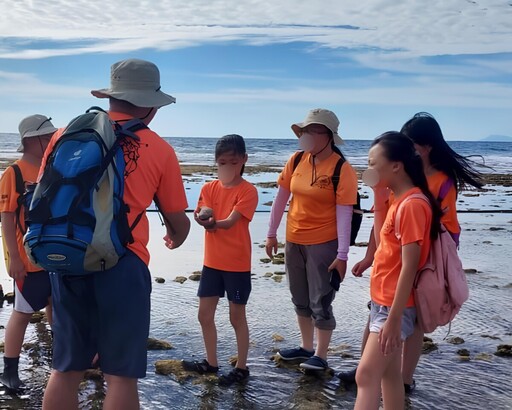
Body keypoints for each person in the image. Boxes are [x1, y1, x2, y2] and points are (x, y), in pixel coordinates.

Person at [41, 59, 190, 410]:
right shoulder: (159, 149)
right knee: (120, 376)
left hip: (67, 257)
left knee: (65, 368)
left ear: (111, 97)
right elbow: (177, 223)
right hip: (123, 263)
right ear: (151, 105)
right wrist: (176, 237)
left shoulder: (64, 136)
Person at [338, 112, 484, 392]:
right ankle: (370, 367)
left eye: (411, 144)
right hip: (396, 260)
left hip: (427, 260)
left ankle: (403, 378)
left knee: (413, 320)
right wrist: (370, 256)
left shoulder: (441, 181)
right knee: (379, 312)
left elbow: (447, 230)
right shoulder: (399, 182)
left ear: (426, 147)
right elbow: (384, 225)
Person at [354, 131, 443, 410]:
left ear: (396, 165)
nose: (368, 170)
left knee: (365, 375)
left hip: (397, 306)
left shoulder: (413, 205)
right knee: (389, 375)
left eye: (372, 163)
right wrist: (379, 194)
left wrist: (393, 319)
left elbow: (410, 265)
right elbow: (385, 246)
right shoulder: (398, 200)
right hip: (384, 303)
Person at [265, 108, 358, 371]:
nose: (305, 135)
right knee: (299, 296)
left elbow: (344, 215)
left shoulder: (342, 169)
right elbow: (280, 199)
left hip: (323, 242)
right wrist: (271, 234)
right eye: (304, 130)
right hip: (294, 239)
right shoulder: (295, 160)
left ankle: (321, 354)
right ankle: (306, 348)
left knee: (321, 299)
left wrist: (342, 255)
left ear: (328, 136)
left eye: (312, 131)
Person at [182, 134, 258, 386]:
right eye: (223, 162)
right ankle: (211, 363)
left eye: (233, 162)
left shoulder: (248, 191)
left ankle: (242, 367)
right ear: (216, 162)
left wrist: (213, 225)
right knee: (204, 315)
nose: (228, 167)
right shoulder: (208, 188)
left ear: (244, 160)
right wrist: (204, 220)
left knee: (236, 317)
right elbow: (200, 214)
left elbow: (231, 221)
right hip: (212, 263)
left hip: (237, 263)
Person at [0, 115, 56, 390]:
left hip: (56, 256)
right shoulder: (15, 173)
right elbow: (7, 218)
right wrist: (14, 259)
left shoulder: (54, 169)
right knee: (22, 312)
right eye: (47, 137)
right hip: (27, 260)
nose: (51, 141)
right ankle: (9, 368)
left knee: (56, 304)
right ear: (31, 140)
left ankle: (60, 354)